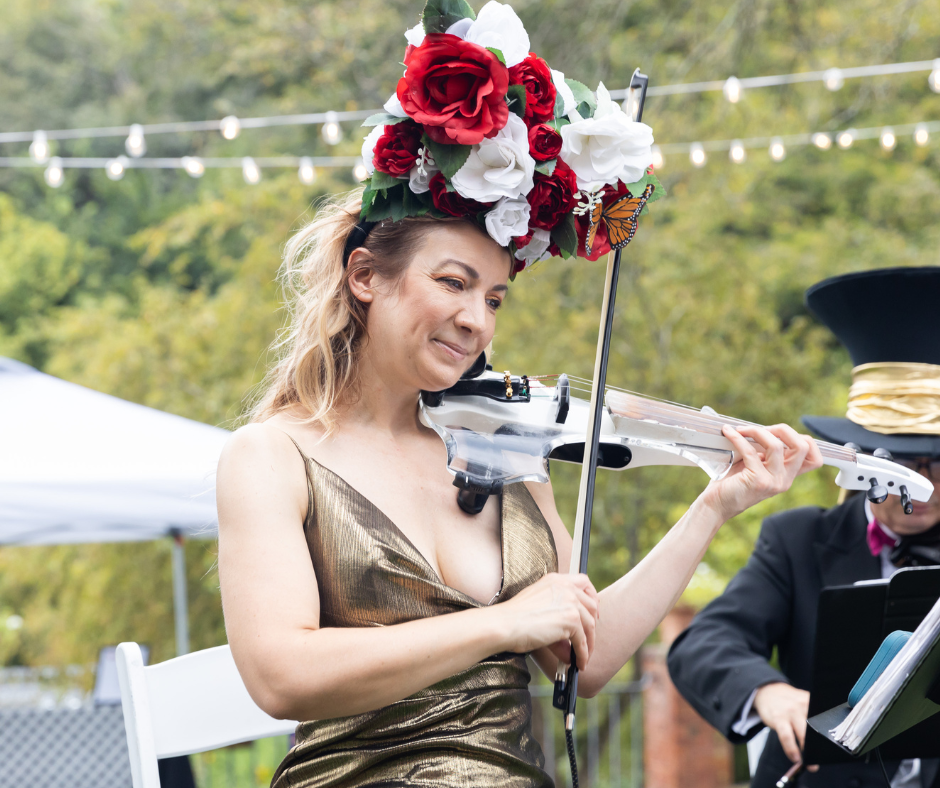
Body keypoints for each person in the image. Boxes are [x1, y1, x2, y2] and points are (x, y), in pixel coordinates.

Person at [215, 4, 820, 786]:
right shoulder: (272, 456)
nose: (475, 320)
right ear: (366, 276)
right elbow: (281, 677)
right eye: (453, 283)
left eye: (495, 299)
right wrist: (501, 624)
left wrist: (715, 505)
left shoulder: (501, 446)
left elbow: (585, 657)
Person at [667, 267, 940, 788]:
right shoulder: (797, 540)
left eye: (936, 462)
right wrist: (768, 693)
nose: (919, 485)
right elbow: (707, 641)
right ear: (861, 462)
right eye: (900, 466)